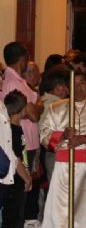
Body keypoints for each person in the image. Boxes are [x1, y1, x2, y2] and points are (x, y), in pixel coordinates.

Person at [40, 71, 86, 228]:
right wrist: (62, 135)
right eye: (74, 84)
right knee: (61, 212)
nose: (78, 87)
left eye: (82, 83)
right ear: (67, 87)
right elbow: (44, 134)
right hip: (63, 169)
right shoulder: (55, 108)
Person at [0, 42, 43, 225]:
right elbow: (33, 113)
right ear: (23, 59)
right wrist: (35, 107)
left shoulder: (20, 81)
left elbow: (36, 108)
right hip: (17, 143)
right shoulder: (11, 83)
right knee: (18, 195)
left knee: (26, 195)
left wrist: (36, 106)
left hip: (26, 144)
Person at [2, 91, 32, 228]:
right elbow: (15, 157)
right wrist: (26, 177)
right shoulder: (11, 129)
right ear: (23, 109)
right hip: (15, 179)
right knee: (14, 217)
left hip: (19, 177)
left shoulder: (17, 128)